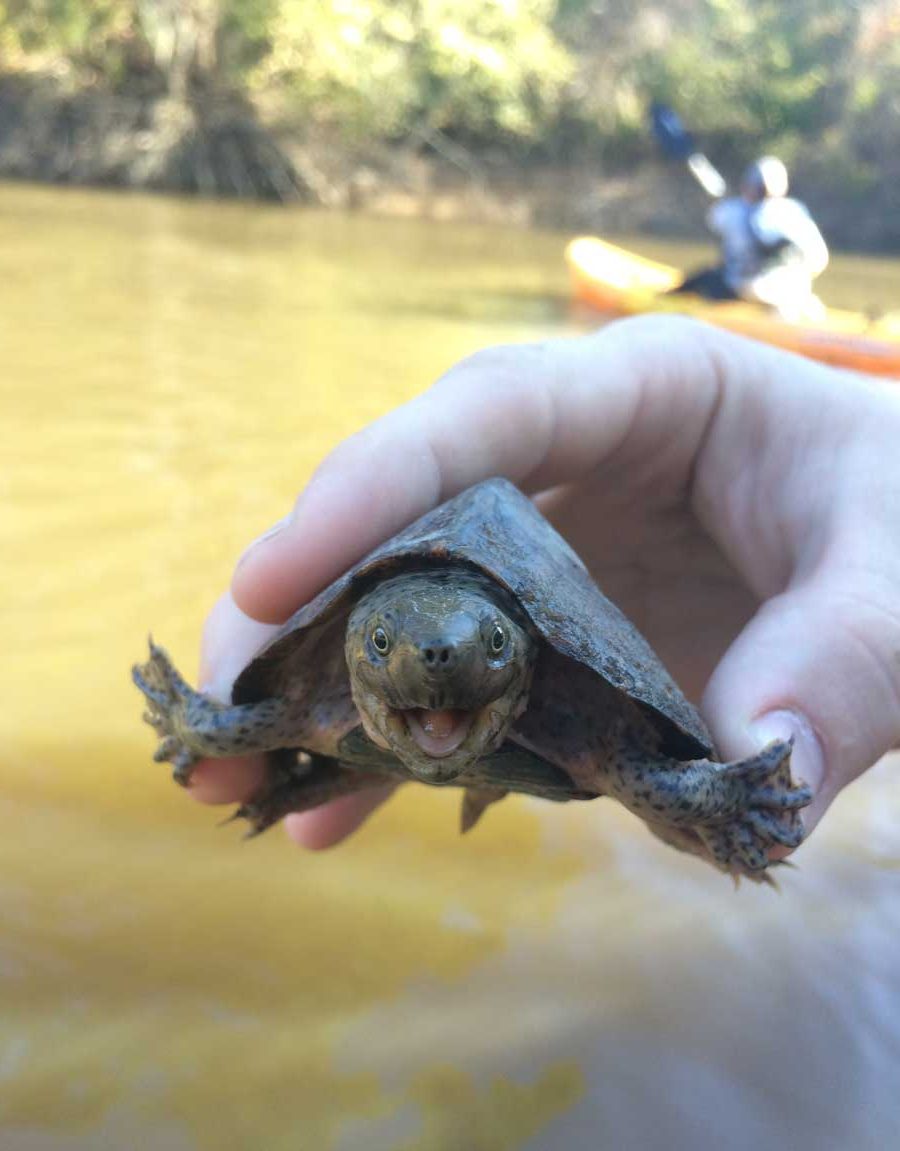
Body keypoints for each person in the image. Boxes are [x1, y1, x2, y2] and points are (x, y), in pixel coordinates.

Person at [189, 315, 900, 864]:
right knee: (229, 731)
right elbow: (247, 720)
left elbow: (674, 780)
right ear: (354, 647)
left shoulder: (582, 724)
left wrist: (741, 793)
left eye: (493, 646)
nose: (438, 664)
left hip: (553, 715)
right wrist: (197, 726)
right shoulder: (322, 696)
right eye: (383, 645)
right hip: (386, 708)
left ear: (525, 654)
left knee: (672, 791)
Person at [673, 157, 829, 319]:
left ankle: (674, 303)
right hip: (788, 293)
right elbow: (819, 260)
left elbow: (715, 219)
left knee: (706, 278)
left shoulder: (731, 209)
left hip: (744, 288)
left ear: (748, 185)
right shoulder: (794, 210)